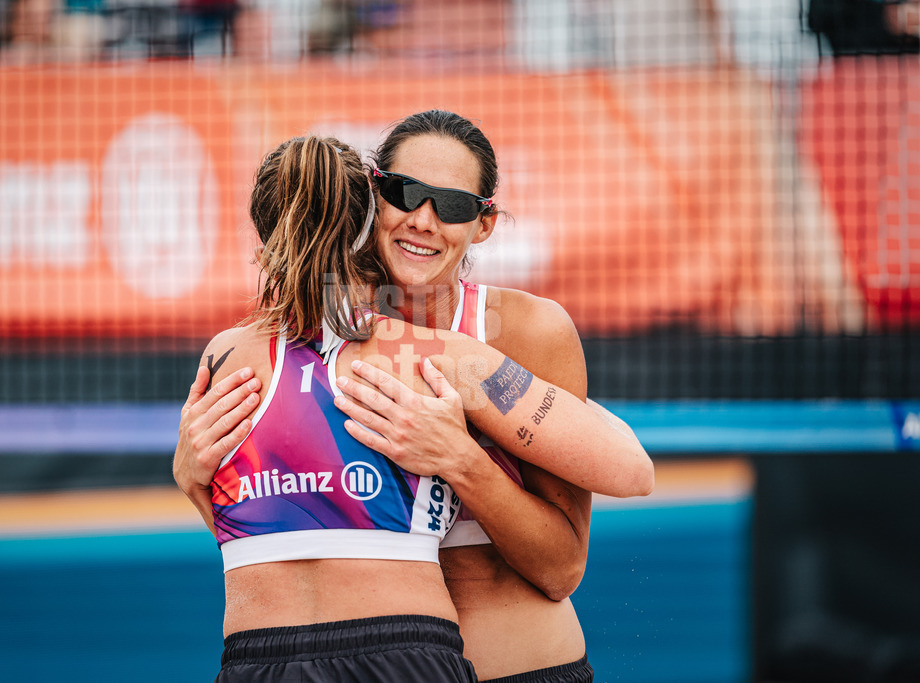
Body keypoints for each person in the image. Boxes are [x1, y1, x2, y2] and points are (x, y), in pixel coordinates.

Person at [177, 114, 655, 682]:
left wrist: (459, 458)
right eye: (406, 194)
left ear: (483, 225)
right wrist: (191, 478)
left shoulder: (522, 332)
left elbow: (562, 569)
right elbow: (286, 538)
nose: (424, 221)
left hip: (520, 667)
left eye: (452, 206)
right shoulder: (298, 335)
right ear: (372, 194)